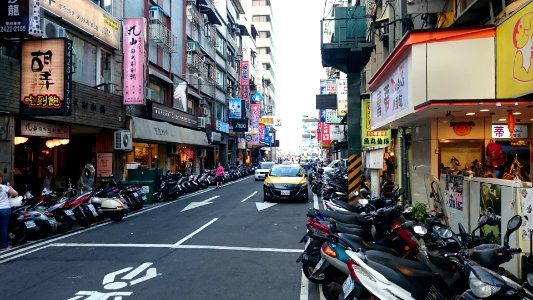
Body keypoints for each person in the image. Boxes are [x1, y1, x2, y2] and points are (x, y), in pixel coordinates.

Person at [0, 172, 18, 251]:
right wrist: (11, 188)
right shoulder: (4, 187)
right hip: (4, 209)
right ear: (1, 178)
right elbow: (15, 193)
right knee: (3, 227)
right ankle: (4, 246)